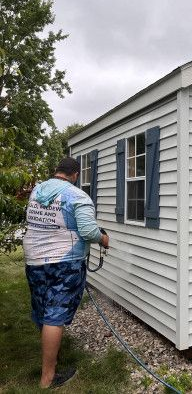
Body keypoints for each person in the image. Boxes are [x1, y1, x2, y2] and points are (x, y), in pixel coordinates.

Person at [23, 157, 109, 389]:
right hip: (64, 262)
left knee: (43, 308)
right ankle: (48, 377)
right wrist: (103, 239)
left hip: (34, 259)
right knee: (56, 313)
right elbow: (89, 231)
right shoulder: (77, 196)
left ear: (56, 171)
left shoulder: (37, 190)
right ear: (75, 175)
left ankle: (52, 356)